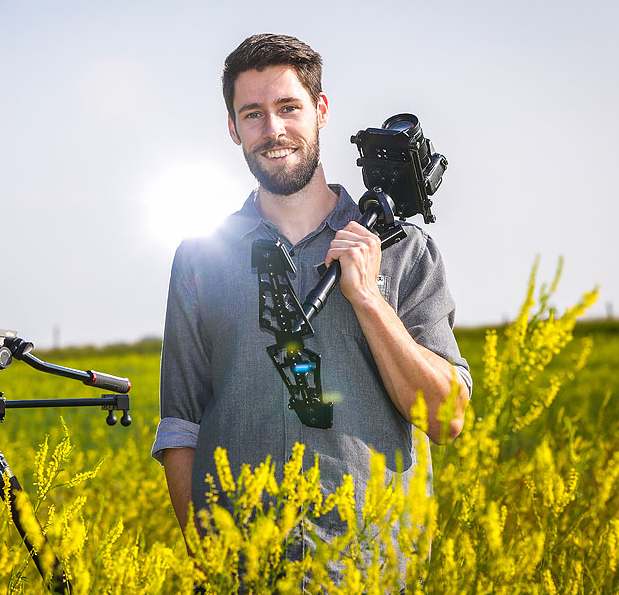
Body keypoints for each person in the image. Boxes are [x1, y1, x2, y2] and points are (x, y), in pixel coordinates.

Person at [150, 33, 472, 574]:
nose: (273, 130)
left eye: (288, 108)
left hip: (368, 570)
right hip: (244, 569)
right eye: (253, 114)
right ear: (233, 128)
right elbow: (181, 425)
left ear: (321, 110)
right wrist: (210, 559)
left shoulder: (404, 250)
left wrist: (368, 298)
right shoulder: (201, 259)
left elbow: (446, 417)